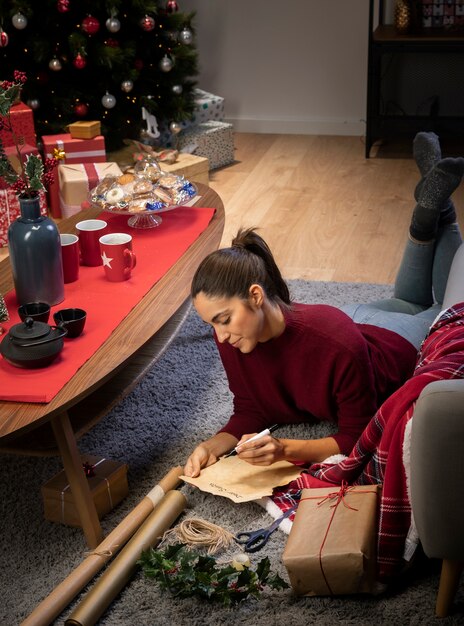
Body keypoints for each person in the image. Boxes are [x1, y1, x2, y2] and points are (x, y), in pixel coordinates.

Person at [183, 132, 464, 478]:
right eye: (213, 324)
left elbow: (355, 436)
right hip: (354, 321)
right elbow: (251, 407)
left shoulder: (334, 343)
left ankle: (443, 214)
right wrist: (214, 443)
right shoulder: (234, 336)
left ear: (256, 296)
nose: (221, 336)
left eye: (224, 319)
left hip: (391, 343)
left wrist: (286, 449)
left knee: (445, 311)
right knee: (408, 299)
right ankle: (428, 214)